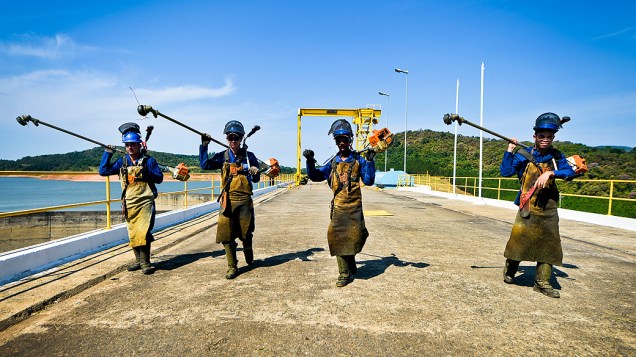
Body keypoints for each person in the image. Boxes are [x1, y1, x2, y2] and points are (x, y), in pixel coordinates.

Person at [500, 112, 575, 298]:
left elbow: (570, 172)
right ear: (535, 136)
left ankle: (541, 282)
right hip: (527, 205)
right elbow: (506, 172)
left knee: (549, 244)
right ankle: (510, 270)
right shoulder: (524, 154)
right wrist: (509, 150)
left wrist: (550, 174)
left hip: (548, 208)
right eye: (541, 136)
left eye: (549, 137)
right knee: (519, 242)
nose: (545, 140)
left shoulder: (556, 156)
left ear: (553, 138)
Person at [303, 119, 376, 287]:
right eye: (338, 140)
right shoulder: (332, 163)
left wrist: (370, 162)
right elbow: (315, 176)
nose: (342, 142)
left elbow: (369, 180)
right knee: (337, 238)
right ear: (335, 142)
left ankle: (350, 260)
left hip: (355, 207)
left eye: (344, 139)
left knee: (358, 236)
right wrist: (310, 161)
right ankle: (344, 273)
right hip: (339, 207)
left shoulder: (359, 160)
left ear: (350, 140)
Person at [99, 122, 164, 275]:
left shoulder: (149, 161)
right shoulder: (122, 162)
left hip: (146, 201)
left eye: (133, 144)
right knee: (133, 231)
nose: (130, 147)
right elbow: (103, 171)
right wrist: (107, 153)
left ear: (139, 145)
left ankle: (145, 262)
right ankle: (138, 260)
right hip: (129, 202)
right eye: (127, 145)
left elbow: (159, 178)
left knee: (144, 231)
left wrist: (147, 173)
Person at [200, 120, 261, 279]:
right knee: (226, 233)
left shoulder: (249, 156)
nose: (233, 141)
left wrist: (255, 172)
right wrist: (204, 146)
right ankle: (232, 266)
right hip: (228, 200)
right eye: (230, 138)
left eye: (236, 138)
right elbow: (205, 165)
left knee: (246, 232)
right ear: (227, 139)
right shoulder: (222, 156)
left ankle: (248, 247)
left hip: (245, 201)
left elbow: (256, 180)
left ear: (241, 139)